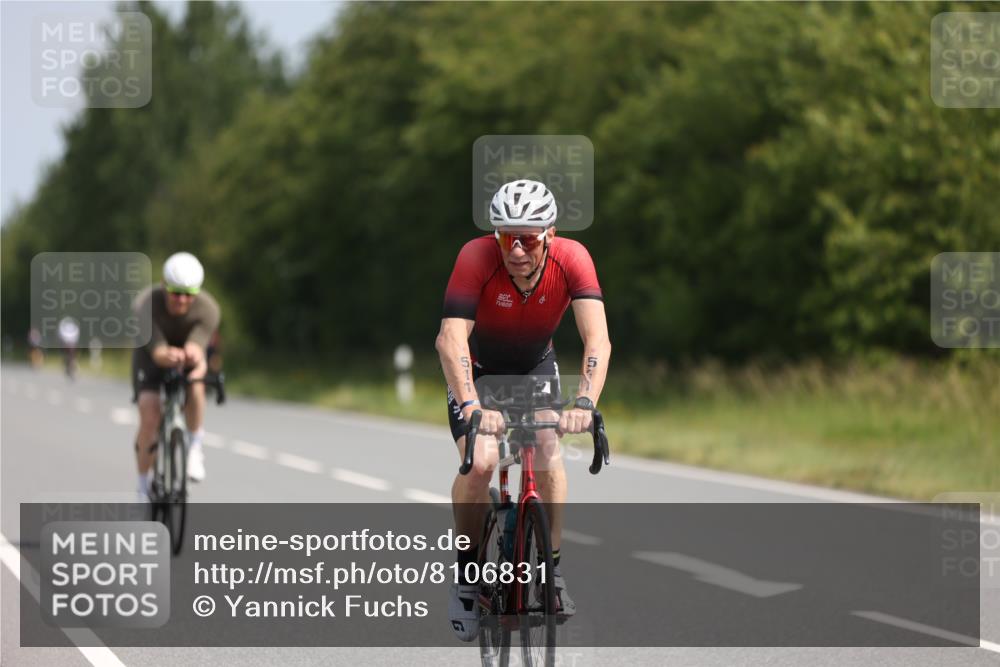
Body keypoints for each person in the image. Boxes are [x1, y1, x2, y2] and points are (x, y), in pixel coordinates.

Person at [436, 179, 612, 640]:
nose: (516, 250)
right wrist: (472, 403)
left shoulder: (573, 259)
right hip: (477, 369)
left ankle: (552, 575)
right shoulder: (475, 257)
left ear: (550, 234)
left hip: (535, 367)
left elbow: (597, 338)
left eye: (528, 238)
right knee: (482, 463)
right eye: (505, 237)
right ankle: (467, 580)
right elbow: (451, 337)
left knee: (550, 446)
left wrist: (585, 402)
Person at [132, 252, 220, 500]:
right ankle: (142, 486)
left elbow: (197, 346)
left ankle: (194, 446)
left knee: (196, 381)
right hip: (151, 353)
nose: (181, 300)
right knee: (149, 413)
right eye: (175, 292)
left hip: (187, 353)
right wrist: (164, 354)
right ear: (163, 285)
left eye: (188, 294)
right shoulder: (144, 304)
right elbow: (158, 351)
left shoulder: (209, 309)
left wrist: (192, 357)